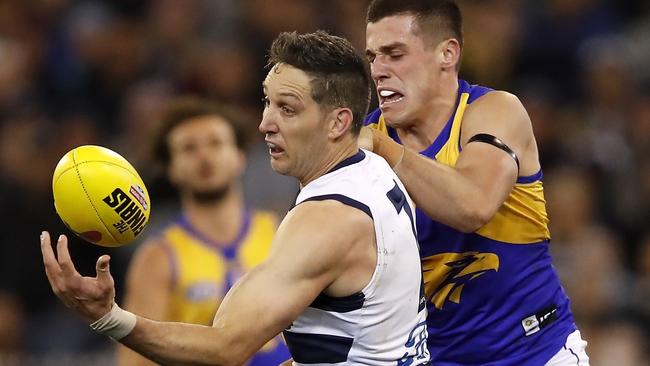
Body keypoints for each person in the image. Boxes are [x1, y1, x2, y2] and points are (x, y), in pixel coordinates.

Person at [40, 30, 430, 365]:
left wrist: (107, 317)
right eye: (267, 101)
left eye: (287, 109)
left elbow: (227, 347)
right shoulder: (375, 168)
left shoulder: (326, 220)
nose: (265, 124)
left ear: (338, 122)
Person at [361, 0, 589, 365]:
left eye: (394, 54)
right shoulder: (362, 150)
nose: (378, 70)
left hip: (536, 353)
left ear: (447, 53)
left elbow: (473, 204)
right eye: (373, 57)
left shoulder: (496, 112)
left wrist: (381, 148)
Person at [117, 97, 290, 365]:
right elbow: (136, 359)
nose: (204, 156)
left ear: (240, 156)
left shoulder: (282, 232)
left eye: (215, 143)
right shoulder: (158, 257)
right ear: (171, 169)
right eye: (189, 148)